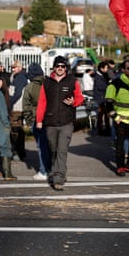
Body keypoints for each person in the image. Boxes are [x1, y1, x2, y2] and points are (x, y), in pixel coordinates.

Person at [36, 56, 84, 191]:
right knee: (53, 150)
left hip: (66, 122)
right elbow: (42, 102)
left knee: (62, 150)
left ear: (66, 68)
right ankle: (56, 171)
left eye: (63, 66)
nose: (60, 69)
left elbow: (80, 98)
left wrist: (74, 102)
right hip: (50, 122)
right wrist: (39, 120)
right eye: (58, 66)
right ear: (54, 67)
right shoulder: (47, 82)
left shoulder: (72, 81)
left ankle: (59, 178)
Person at [105, 59, 129, 177]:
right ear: (123, 69)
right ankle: (120, 166)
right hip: (121, 119)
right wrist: (116, 117)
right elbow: (108, 103)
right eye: (128, 68)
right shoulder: (115, 84)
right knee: (120, 146)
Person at [23, 63, 50, 180]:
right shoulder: (49, 83)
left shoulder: (30, 87)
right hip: (50, 118)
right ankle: (52, 169)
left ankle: (43, 171)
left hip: (36, 119)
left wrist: (29, 122)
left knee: (41, 145)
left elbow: (26, 106)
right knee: (51, 145)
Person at [9, 60, 28, 161]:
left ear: (20, 67)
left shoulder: (19, 77)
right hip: (18, 107)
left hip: (17, 107)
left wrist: (10, 103)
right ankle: (20, 152)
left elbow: (18, 93)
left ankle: (17, 152)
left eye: (14, 67)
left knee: (15, 131)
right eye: (12, 67)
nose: (13, 69)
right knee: (18, 130)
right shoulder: (19, 76)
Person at [93, 61, 111, 136]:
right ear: (101, 68)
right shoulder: (98, 76)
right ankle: (100, 131)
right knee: (101, 115)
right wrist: (109, 85)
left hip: (104, 98)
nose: (107, 69)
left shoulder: (104, 75)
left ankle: (107, 129)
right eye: (106, 68)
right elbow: (101, 87)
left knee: (106, 115)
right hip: (100, 99)